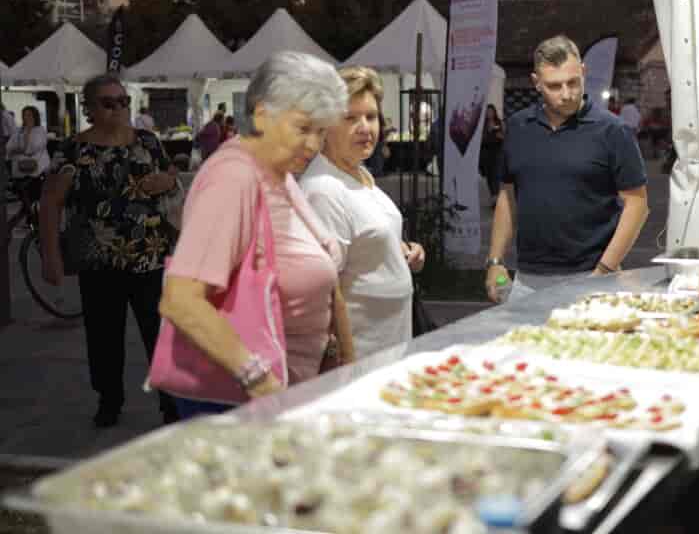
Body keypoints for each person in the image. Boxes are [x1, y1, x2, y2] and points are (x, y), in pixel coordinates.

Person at [158, 52, 355, 419]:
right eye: (303, 128)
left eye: (321, 132)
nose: (313, 145)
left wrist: (338, 355)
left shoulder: (277, 173)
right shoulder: (232, 179)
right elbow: (181, 300)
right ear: (263, 114)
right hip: (236, 403)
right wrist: (259, 381)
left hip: (287, 388)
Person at [39, 75, 181, 427]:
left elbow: (171, 176)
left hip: (150, 257)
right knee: (104, 337)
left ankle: (171, 402)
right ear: (88, 108)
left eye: (122, 101)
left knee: (159, 334)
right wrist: (51, 256)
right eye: (107, 102)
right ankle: (109, 399)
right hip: (98, 261)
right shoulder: (73, 150)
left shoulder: (147, 141)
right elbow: (50, 202)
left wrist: (166, 181)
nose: (118, 108)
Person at [486, 35, 649, 301]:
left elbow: (637, 203)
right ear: (536, 83)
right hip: (527, 280)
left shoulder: (612, 131)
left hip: (593, 277)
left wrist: (604, 270)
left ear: (584, 72)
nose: (567, 94)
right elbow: (507, 195)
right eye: (554, 86)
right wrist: (494, 261)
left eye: (573, 82)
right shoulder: (518, 127)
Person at [301, 66, 425, 369]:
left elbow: (365, 240)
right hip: (360, 357)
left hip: (389, 347)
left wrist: (403, 251)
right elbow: (321, 292)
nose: (364, 127)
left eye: (370, 116)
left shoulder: (359, 173)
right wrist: (343, 360)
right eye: (350, 118)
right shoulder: (324, 189)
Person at [479, 103, 505, 202]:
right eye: (487, 112)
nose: (489, 113)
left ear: (494, 112)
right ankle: (493, 196)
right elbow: (479, 140)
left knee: (496, 175)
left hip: (497, 152)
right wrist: (487, 132)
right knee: (489, 176)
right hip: (486, 153)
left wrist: (500, 136)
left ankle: (496, 198)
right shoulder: (482, 124)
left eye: (491, 111)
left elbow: (505, 136)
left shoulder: (499, 122)